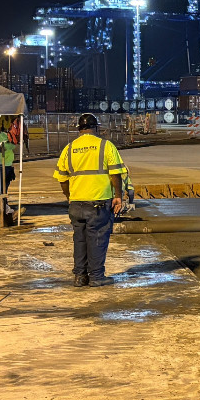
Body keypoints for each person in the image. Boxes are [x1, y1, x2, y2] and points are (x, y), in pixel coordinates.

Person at [53, 113, 124, 287]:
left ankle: (80, 276)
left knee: (80, 239)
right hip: (98, 202)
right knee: (97, 238)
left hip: (76, 203)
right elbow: (116, 174)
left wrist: (69, 196)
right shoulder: (105, 146)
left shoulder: (69, 148)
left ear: (79, 129)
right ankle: (97, 277)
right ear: (96, 128)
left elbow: (62, 178)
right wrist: (118, 196)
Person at [0, 116, 17, 226]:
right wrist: (14, 141)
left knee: (2, 188)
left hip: (6, 164)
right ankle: (5, 211)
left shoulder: (0, 134)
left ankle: (3, 208)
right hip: (1, 164)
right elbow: (6, 146)